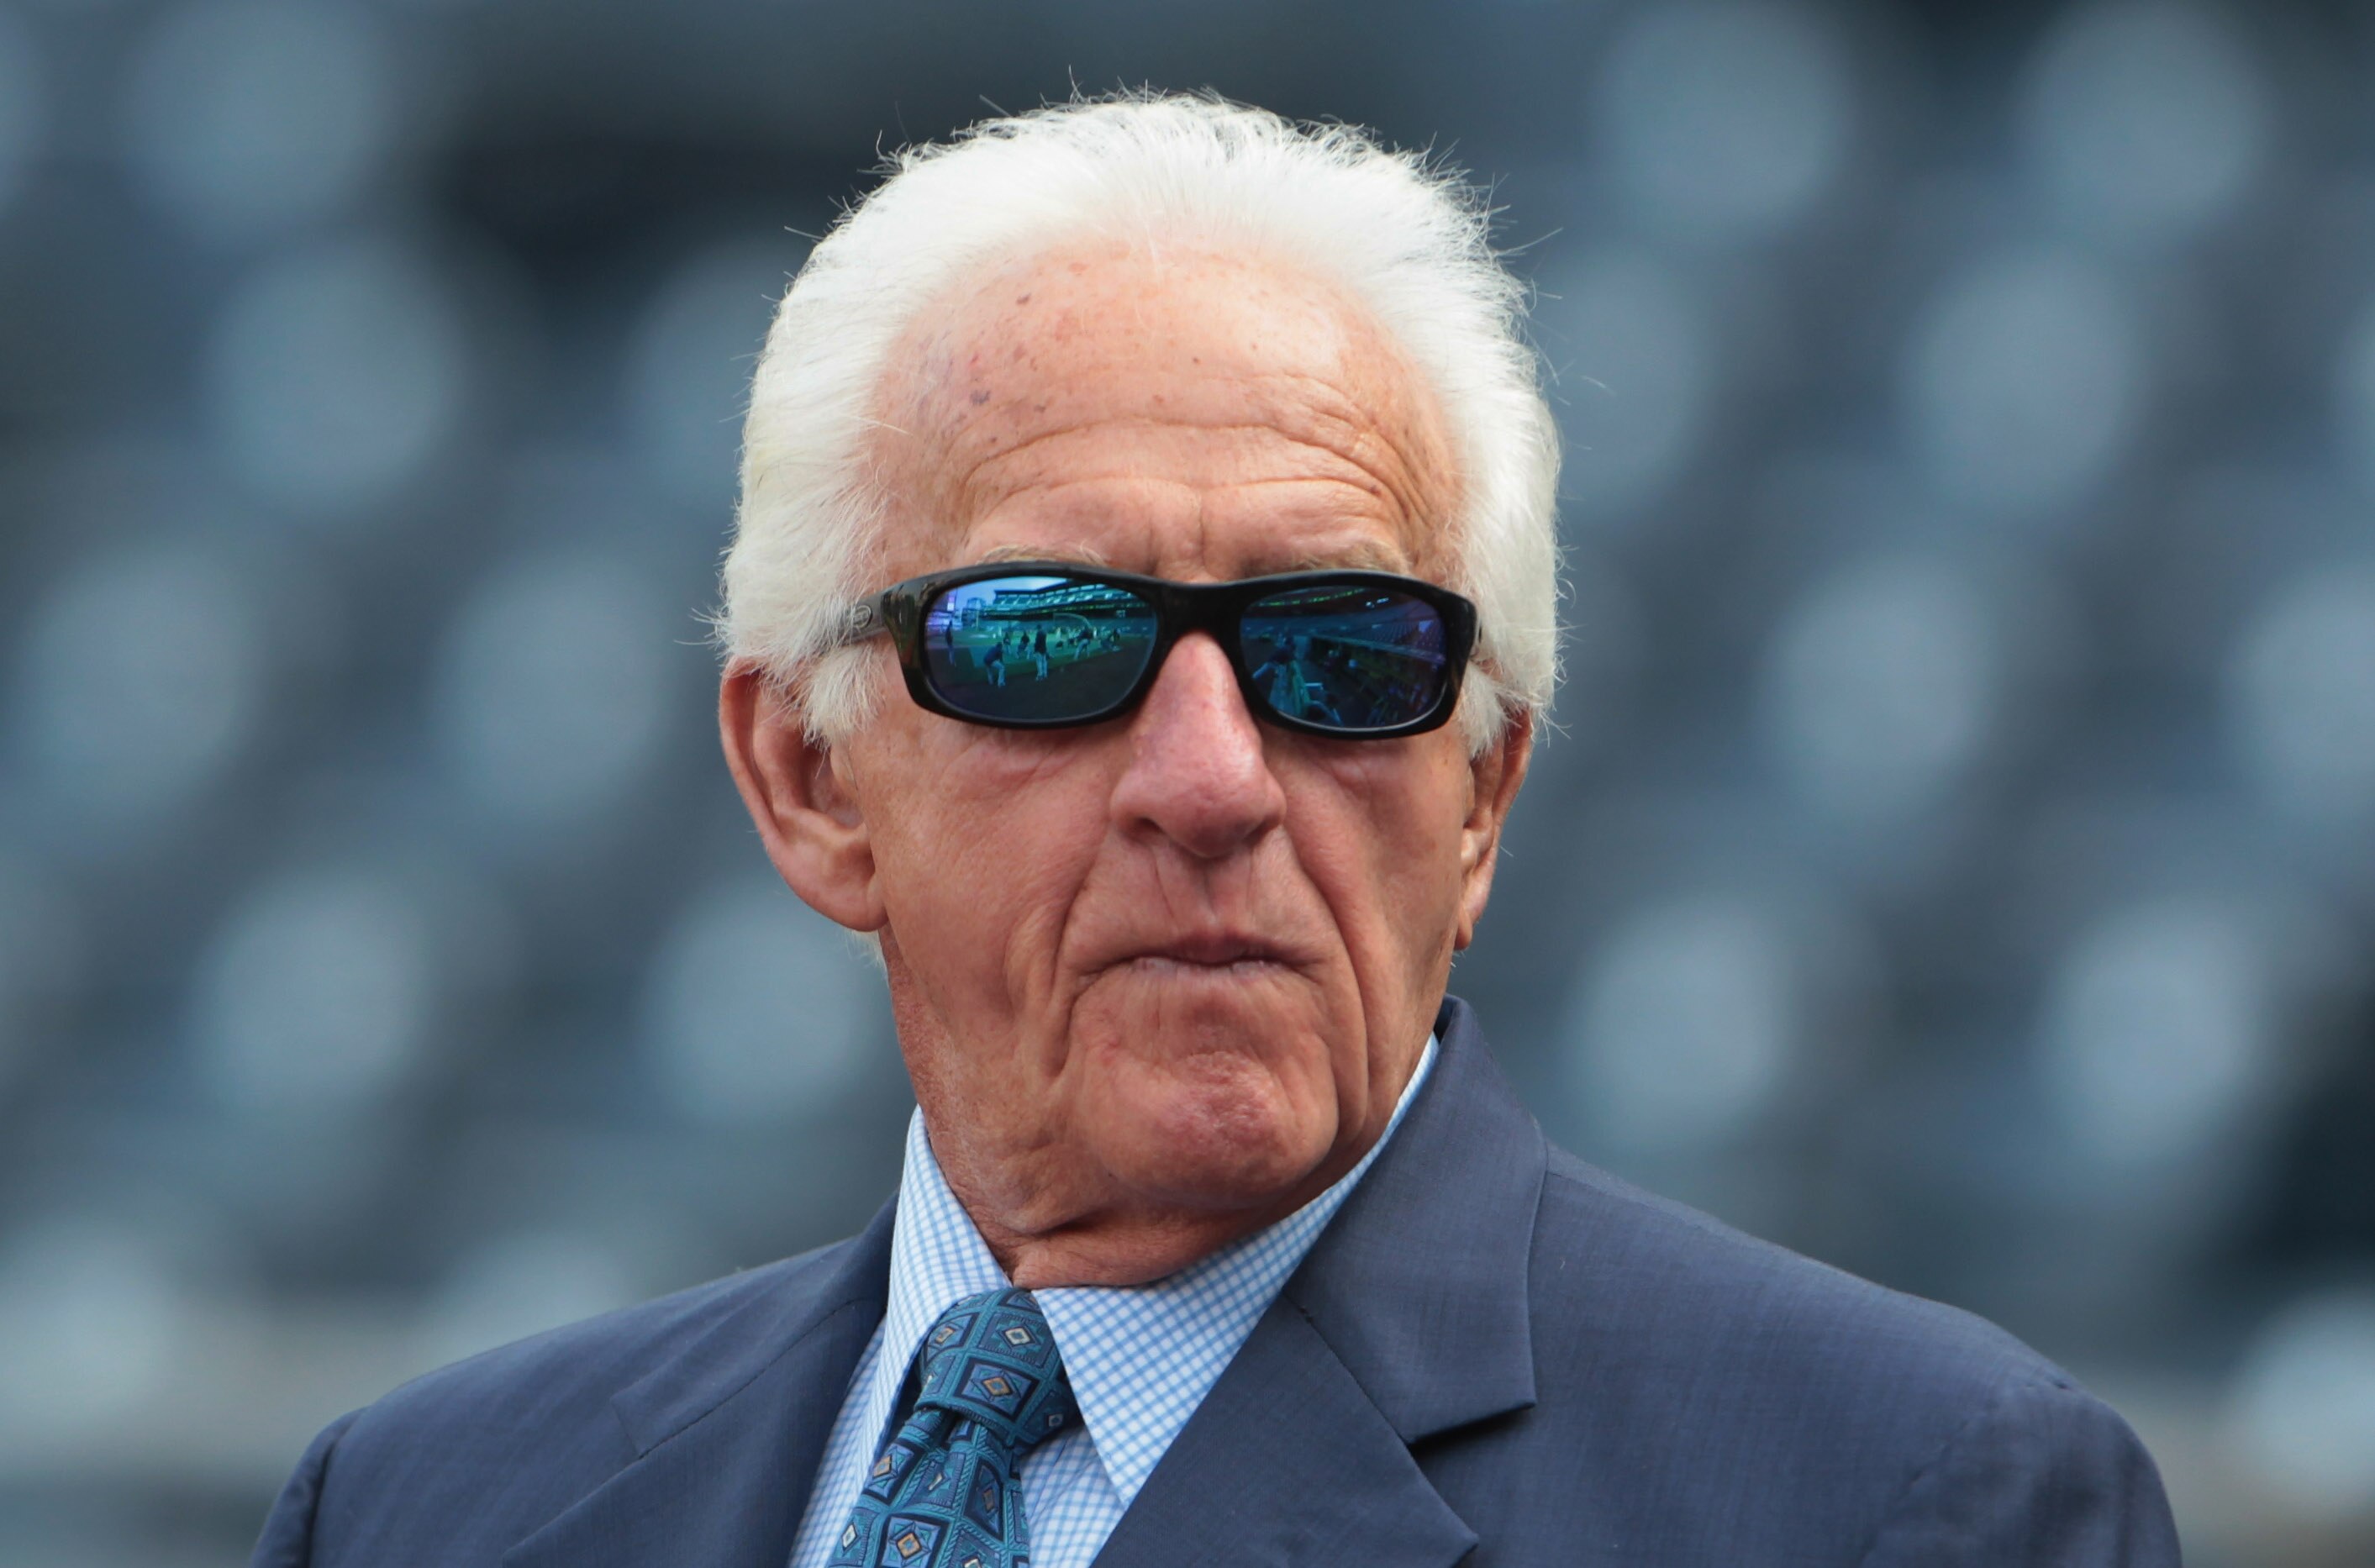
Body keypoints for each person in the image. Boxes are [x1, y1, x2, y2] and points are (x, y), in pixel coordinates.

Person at [251, 96, 2178, 1568]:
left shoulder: (1906, 1504)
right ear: (811, 780)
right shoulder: (426, 1512)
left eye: (1343, 654)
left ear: (1482, 793)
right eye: (1053, 642)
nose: (1213, 779)